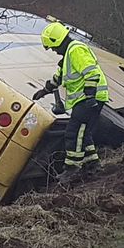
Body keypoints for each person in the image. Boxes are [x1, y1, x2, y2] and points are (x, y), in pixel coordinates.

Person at [32, 22, 109, 176]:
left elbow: (91, 72)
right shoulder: (68, 55)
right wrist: (45, 91)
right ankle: (92, 164)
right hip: (89, 99)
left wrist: (89, 95)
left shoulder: (76, 50)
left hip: (87, 99)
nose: (53, 51)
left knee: (73, 133)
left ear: (57, 41)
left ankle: (72, 169)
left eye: (53, 47)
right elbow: (59, 77)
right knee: (84, 133)